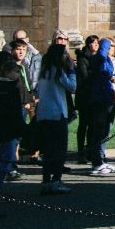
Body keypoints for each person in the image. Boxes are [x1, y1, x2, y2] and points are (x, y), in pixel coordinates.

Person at [34, 43, 76, 195]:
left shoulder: (44, 72)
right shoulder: (59, 71)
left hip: (44, 114)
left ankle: (46, 180)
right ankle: (56, 180)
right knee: (59, 149)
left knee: (48, 149)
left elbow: (37, 91)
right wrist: (71, 70)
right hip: (57, 114)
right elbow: (72, 87)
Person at [86, 38, 115, 176]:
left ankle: (101, 160)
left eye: (113, 46)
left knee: (105, 131)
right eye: (109, 46)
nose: (110, 48)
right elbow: (104, 69)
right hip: (100, 100)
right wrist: (105, 41)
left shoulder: (113, 61)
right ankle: (96, 163)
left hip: (110, 100)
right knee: (98, 131)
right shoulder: (100, 59)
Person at [4, 39, 35, 181]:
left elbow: (27, 86)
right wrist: (24, 102)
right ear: (12, 51)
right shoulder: (9, 68)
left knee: (16, 138)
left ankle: (12, 165)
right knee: (11, 138)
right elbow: (16, 89)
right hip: (15, 108)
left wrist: (30, 99)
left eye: (24, 49)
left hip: (24, 106)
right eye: (18, 49)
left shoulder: (23, 66)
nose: (21, 51)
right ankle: (8, 167)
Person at [0, 55, 28, 194]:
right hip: (8, 128)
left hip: (6, 127)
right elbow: (14, 110)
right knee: (7, 157)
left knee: (6, 157)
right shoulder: (10, 87)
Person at [74, 35, 99, 164]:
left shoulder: (97, 58)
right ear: (88, 44)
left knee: (92, 125)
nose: (95, 45)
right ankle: (80, 152)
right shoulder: (83, 58)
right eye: (93, 42)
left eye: (97, 43)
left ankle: (89, 150)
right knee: (83, 125)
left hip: (94, 96)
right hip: (84, 97)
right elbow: (85, 76)